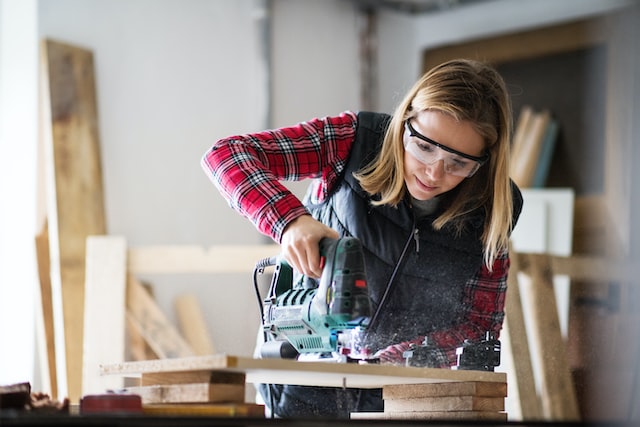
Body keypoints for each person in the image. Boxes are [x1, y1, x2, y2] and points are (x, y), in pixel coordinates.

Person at [201, 58, 523, 418]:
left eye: (458, 163)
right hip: (305, 373)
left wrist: (389, 361)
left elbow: (477, 326)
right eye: (425, 147)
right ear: (405, 121)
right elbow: (227, 156)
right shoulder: (354, 141)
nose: (433, 173)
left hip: (403, 394)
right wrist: (290, 221)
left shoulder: (492, 207)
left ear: (483, 161)